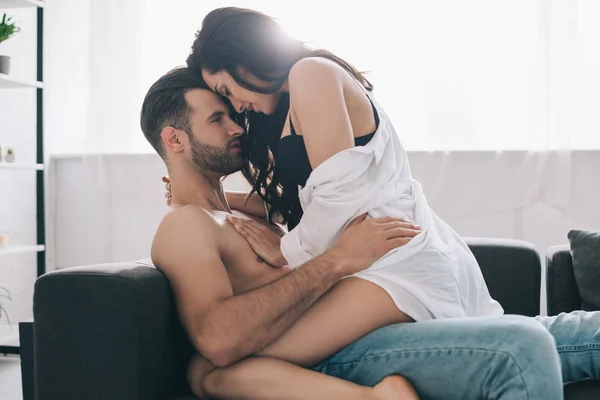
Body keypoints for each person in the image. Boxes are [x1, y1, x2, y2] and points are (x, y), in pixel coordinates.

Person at [143, 67, 599, 400]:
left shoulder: (245, 215)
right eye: (216, 119)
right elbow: (217, 342)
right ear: (175, 140)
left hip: (389, 318)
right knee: (523, 344)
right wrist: (339, 258)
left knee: (588, 332)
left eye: (232, 112)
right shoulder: (186, 225)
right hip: (343, 349)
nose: (237, 125)